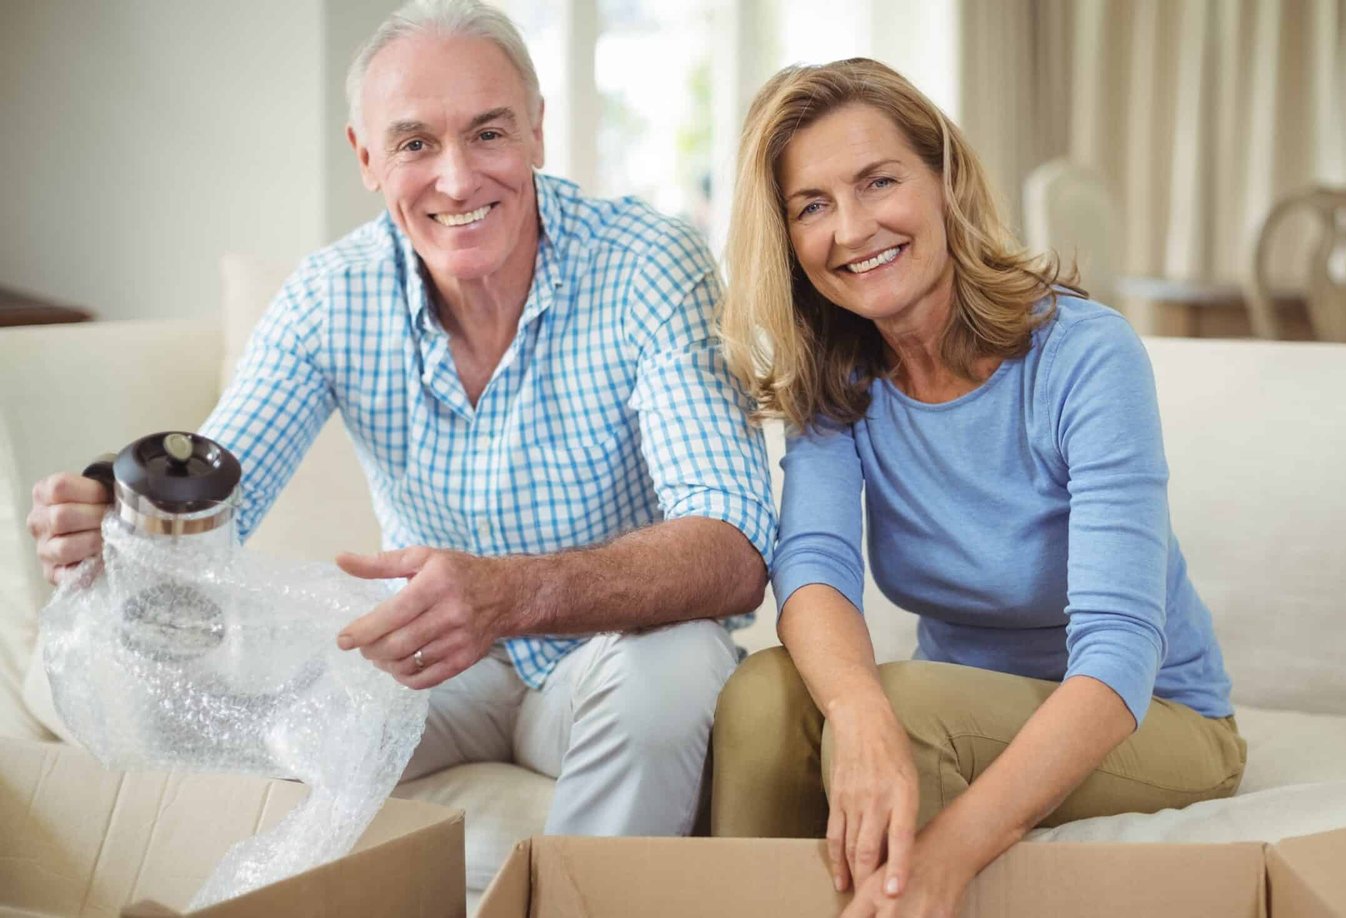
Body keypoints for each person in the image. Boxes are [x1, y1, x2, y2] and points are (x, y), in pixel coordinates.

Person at [26, 0, 774, 847]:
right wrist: (123, 531)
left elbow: (735, 548)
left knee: (675, 670)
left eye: (489, 134)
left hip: (603, 667)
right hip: (428, 673)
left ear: (536, 130)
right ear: (367, 157)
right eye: (416, 143)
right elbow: (215, 496)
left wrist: (512, 594)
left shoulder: (650, 263)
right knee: (181, 683)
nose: (456, 180)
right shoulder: (330, 296)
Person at [711, 59, 1243, 917]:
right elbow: (811, 566)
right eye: (812, 204)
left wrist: (946, 855)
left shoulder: (1085, 357)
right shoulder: (840, 376)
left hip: (1148, 719)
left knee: (912, 705)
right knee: (761, 696)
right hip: (954, 708)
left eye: (878, 181)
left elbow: (1116, 654)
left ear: (944, 179)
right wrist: (858, 712)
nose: (851, 229)